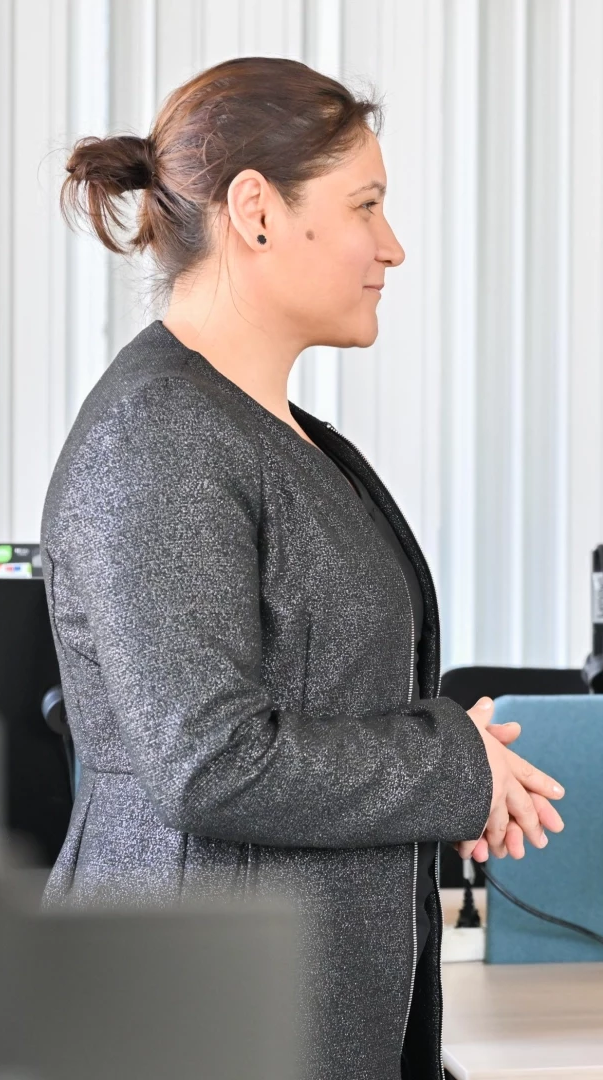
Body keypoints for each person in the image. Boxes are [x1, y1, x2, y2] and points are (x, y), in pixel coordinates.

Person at [43, 57, 562, 1080]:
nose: (392, 245)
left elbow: (313, 708)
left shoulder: (277, 436)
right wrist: (453, 768)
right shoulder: (160, 439)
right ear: (257, 212)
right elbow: (209, 760)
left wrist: (455, 778)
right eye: (365, 205)